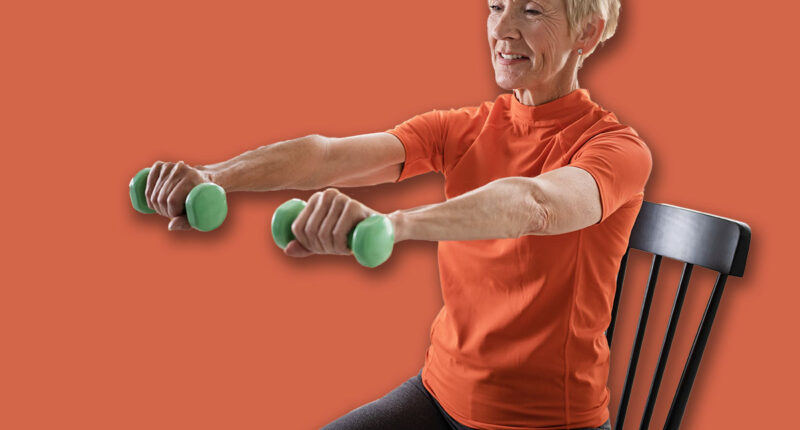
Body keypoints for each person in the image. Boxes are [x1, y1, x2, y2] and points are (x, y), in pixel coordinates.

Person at [143, 0, 650, 428]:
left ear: (588, 31)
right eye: (495, 5)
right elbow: (328, 156)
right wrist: (215, 176)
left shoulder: (614, 149)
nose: (501, 27)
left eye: (532, 9)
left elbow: (536, 205)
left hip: (543, 421)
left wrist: (391, 226)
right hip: (438, 395)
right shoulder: (466, 128)